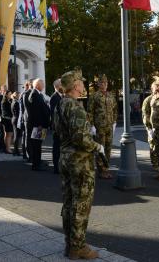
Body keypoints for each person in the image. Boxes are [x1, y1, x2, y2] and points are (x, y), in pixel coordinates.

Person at [53, 70, 102, 260]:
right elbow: (81, 138)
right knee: (81, 204)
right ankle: (78, 246)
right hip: (80, 161)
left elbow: (58, 131)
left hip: (65, 158)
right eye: (81, 82)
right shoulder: (74, 106)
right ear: (74, 86)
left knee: (69, 202)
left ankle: (69, 243)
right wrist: (97, 146)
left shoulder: (60, 104)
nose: (83, 84)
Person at [87, 75, 118, 179]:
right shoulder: (94, 96)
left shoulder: (111, 95)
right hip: (99, 127)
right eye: (102, 83)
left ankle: (106, 168)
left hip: (109, 126)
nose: (104, 85)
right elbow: (90, 112)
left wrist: (114, 122)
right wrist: (92, 125)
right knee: (101, 148)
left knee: (108, 148)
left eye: (106, 83)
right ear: (98, 84)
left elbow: (115, 109)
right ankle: (101, 170)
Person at [26, 78, 51, 171]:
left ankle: (37, 163)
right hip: (38, 125)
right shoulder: (34, 95)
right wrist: (39, 124)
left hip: (40, 125)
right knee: (36, 145)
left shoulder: (38, 94)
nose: (44, 85)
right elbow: (35, 112)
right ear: (37, 85)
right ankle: (36, 165)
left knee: (38, 144)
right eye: (42, 84)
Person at [50, 79, 64, 174]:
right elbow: (55, 114)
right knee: (57, 147)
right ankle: (56, 167)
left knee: (59, 147)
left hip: (60, 127)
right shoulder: (55, 97)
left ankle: (59, 165)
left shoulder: (60, 96)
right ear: (58, 86)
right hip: (57, 127)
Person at [18, 81, 32, 160]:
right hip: (24, 118)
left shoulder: (23, 94)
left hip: (22, 118)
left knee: (24, 136)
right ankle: (26, 154)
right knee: (26, 136)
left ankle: (24, 153)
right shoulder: (25, 94)